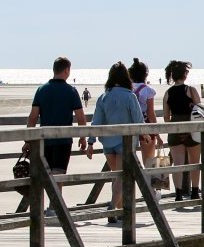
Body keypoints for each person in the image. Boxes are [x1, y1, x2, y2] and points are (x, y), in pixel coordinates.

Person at [27, 57, 89, 213]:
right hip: (63, 139)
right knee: (58, 174)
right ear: (67, 70)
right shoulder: (71, 91)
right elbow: (81, 117)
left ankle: (43, 207)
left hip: (43, 140)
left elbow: (33, 117)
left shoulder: (41, 90)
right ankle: (53, 207)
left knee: (45, 174)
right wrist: (82, 137)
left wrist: (28, 140)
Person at [87, 62, 144, 222]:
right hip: (125, 144)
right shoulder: (130, 96)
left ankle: (120, 211)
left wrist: (91, 142)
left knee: (117, 177)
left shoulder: (104, 97)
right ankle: (112, 207)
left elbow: (96, 121)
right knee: (121, 177)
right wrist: (144, 134)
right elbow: (138, 120)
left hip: (108, 143)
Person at [163, 60, 202, 201]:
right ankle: (195, 191)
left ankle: (178, 193)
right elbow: (200, 110)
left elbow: (166, 117)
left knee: (178, 164)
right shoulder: (191, 90)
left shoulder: (167, 93)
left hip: (174, 128)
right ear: (184, 75)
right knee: (194, 162)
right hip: (191, 128)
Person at [128, 59, 164, 186]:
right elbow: (151, 114)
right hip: (146, 125)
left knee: (128, 160)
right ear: (145, 74)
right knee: (149, 161)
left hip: (130, 125)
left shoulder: (127, 89)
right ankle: (151, 189)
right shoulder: (147, 90)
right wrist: (158, 135)